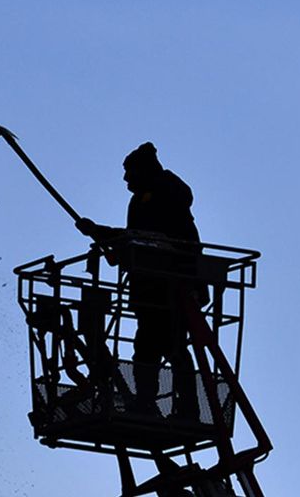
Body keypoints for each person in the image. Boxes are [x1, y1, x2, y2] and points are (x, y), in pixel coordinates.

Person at [75, 142, 204, 419]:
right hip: (152, 290)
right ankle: (152, 404)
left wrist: (103, 233)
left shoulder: (165, 196)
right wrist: (103, 236)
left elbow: (150, 240)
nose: (125, 179)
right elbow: (139, 239)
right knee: (150, 348)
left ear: (144, 171)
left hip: (169, 289)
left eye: (129, 173)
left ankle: (179, 408)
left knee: (168, 347)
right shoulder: (148, 197)